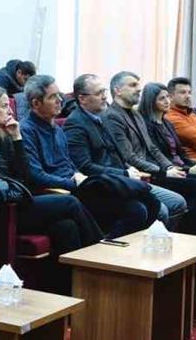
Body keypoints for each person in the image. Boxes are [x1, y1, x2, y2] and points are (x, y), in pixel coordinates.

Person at [0, 86, 102, 261]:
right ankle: (100, 253)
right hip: (0, 209)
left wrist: (17, 138)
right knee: (70, 202)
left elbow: (25, 175)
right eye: (4, 106)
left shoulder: (4, 136)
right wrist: (19, 184)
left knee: (66, 227)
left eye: (9, 106)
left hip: (17, 200)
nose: (10, 111)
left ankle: (74, 276)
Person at [20, 74, 155, 238]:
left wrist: (77, 174)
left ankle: (117, 249)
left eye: (59, 95)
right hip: (62, 191)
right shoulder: (26, 130)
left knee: (145, 204)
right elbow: (36, 174)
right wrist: (73, 182)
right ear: (36, 103)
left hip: (77, 185)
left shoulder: (56, 128)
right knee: (135, 209)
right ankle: (101, 248)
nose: (60, 100)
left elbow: (68, 163)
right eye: (53, 97)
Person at [105, 71, 196, 237]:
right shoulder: (112, 116)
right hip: (141, 174)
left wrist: (169, 167)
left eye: (138, 85)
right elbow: (129, 156)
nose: (138, 89)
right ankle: (194, 238)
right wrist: (164, 171)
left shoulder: (136, 114)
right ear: (117, 90)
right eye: (133, 85)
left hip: (155, 169)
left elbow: (152, 148)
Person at [64, 74, 185, 227]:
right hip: (103, 185)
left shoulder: (100, 117)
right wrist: (124, 173)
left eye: (104, 92)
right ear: (82, 99)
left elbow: (117, 152)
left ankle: (158, 238)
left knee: (176, 202)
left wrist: (128, 169)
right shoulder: (76, 124)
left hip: (122, 178)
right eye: (99, 93)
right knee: (159, 210)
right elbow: (85, 166)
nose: (104, 97)